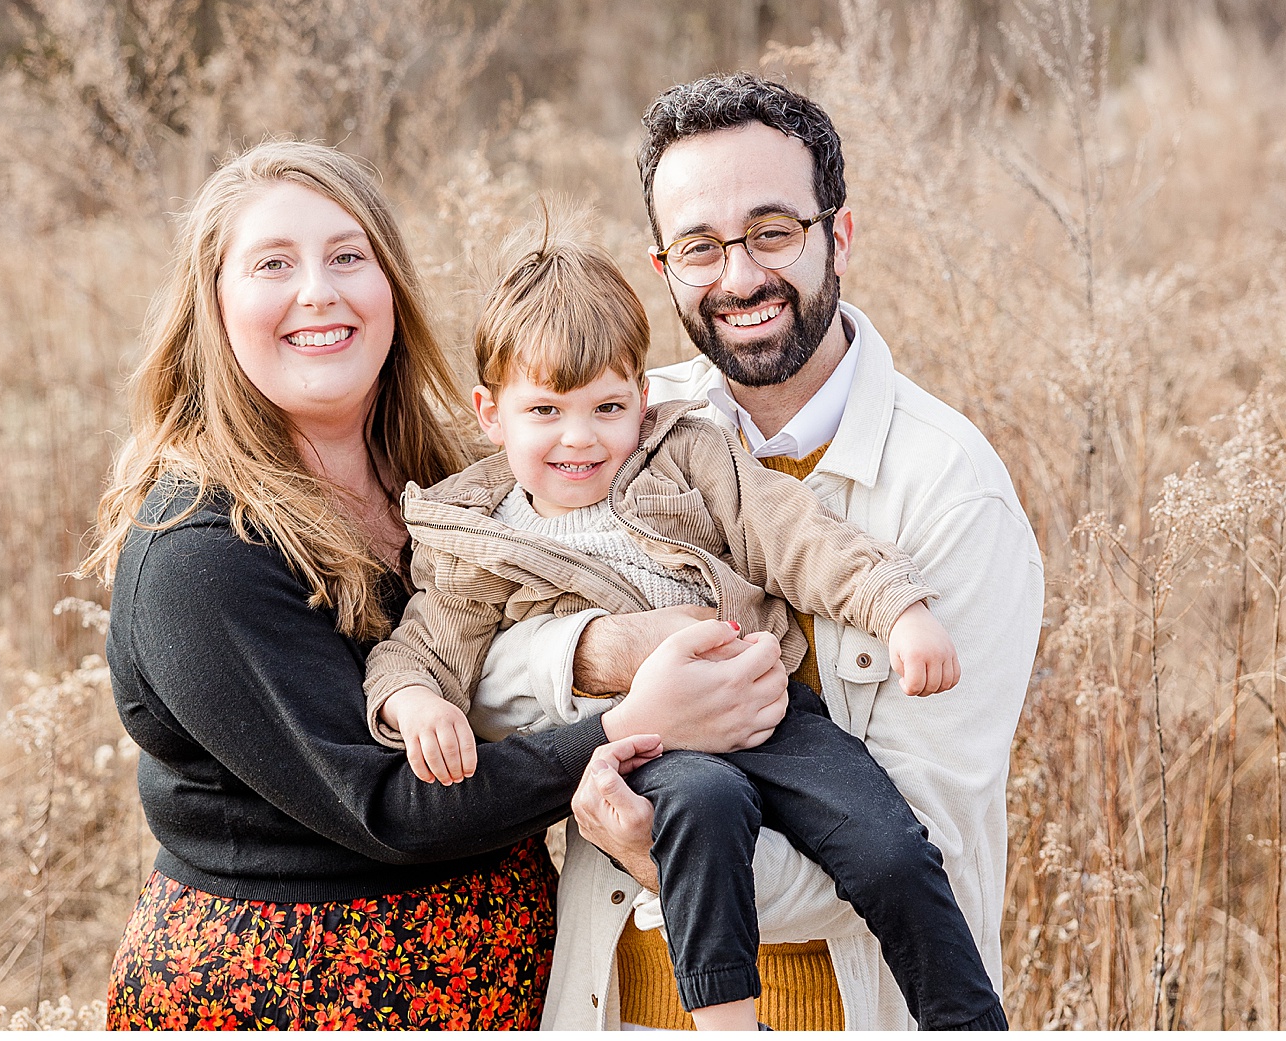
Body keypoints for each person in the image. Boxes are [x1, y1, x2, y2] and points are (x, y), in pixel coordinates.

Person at [80, 139, 792, 1030]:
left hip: (512, 976)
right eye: (273, 264)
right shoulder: (200, 550)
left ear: (391, 287)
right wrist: (638, 721)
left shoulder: (458, 483)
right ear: (213, 305)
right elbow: (385, 804)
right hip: (298, 994)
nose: (318, 291)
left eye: (348, 255)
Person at [471, 74, 1046, 1030]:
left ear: (839, 237)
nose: (738, 278)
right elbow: (474, 666)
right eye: (701, 247)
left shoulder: (952, 494)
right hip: (614, 1006)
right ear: (665, 268)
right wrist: (600, 654)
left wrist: (671, 851)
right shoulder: (605, 425)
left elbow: (918, 846)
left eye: (773, 231)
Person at [362, 232, 1003, 1031]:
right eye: (544, 412)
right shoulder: (479, 539)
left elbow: (792, 531)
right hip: (649, 750)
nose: (579, 438)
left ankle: (968, 1019)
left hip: (769, 713)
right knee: (701, 808)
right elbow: (424, 647)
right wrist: (418, 702)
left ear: (643, 393)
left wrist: (896, 606)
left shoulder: (684, 454)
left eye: (607, 406)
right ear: (491, 414)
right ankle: (728, 1022)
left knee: (891, 846)